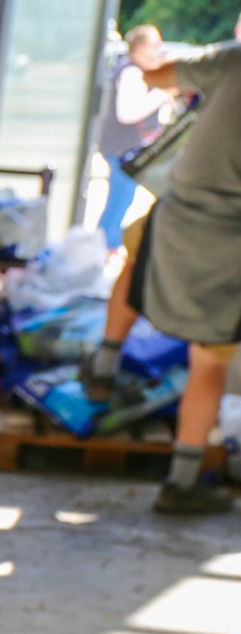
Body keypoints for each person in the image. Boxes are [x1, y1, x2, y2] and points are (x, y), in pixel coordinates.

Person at [89, 41, 241, 514]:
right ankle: (181, 481)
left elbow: (155, 75)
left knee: (133, 267)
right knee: (209, 362)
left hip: (179, 213)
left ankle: (103, 367)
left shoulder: (232, 60)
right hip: (234, 242)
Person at [95, 25, 174, 250]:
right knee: (119, 202)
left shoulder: (133, 70)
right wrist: (162, 94)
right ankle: (102, 248)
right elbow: (128, 112)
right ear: (140, 47)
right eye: (155, 45)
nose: (159, 50)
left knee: (121, 199)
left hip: (123, 147)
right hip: (122, 149)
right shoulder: (131, 72)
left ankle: (103, 247)